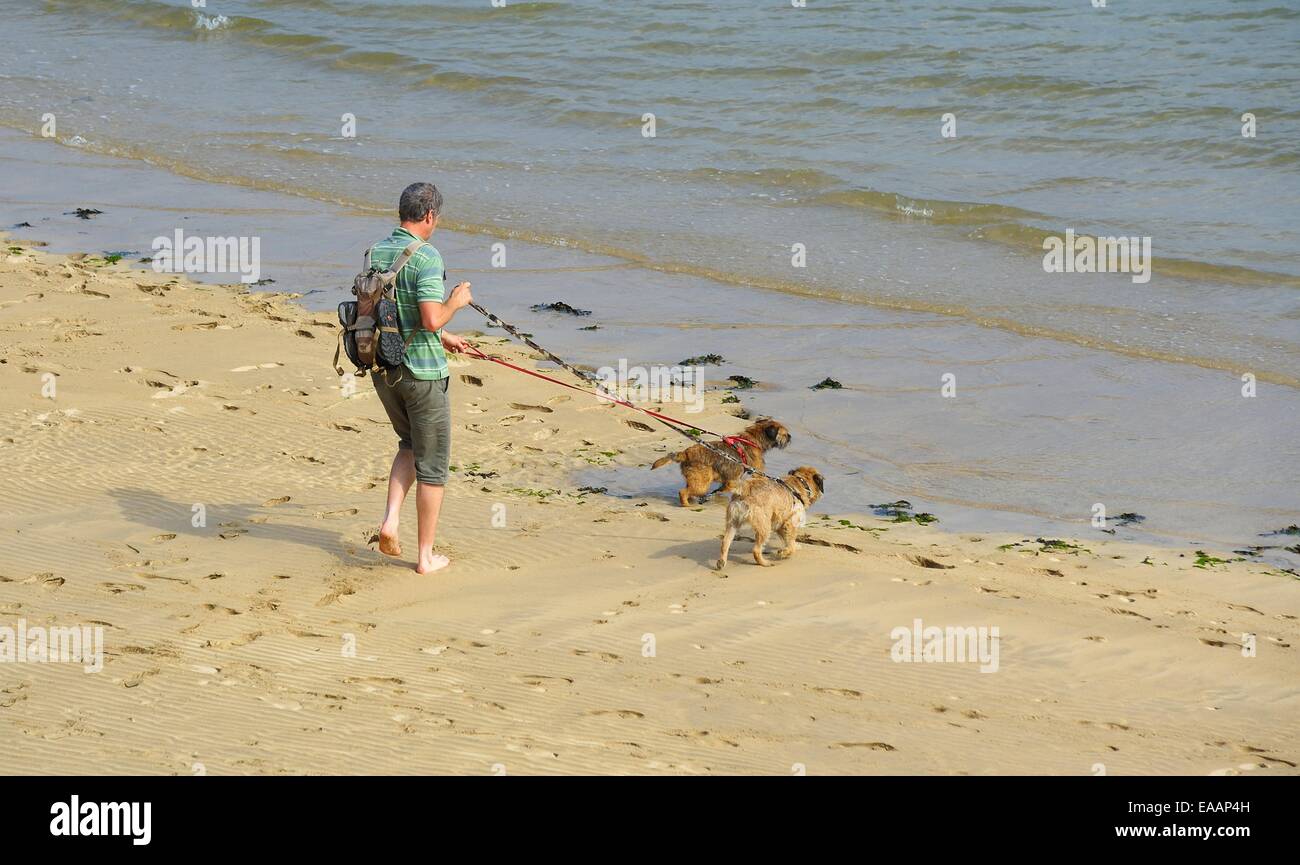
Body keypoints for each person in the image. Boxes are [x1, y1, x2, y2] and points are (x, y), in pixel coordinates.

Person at [371, 182, 474, 574]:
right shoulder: (427, 256)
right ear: (430, 215)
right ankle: (426, 557)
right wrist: (456, 302)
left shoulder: (377, 250)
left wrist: (444, 337)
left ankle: (390, 521)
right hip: (422, 375)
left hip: (384, 369)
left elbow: (390, 311)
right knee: (432, 467)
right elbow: (430, 316)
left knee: (408, 444)